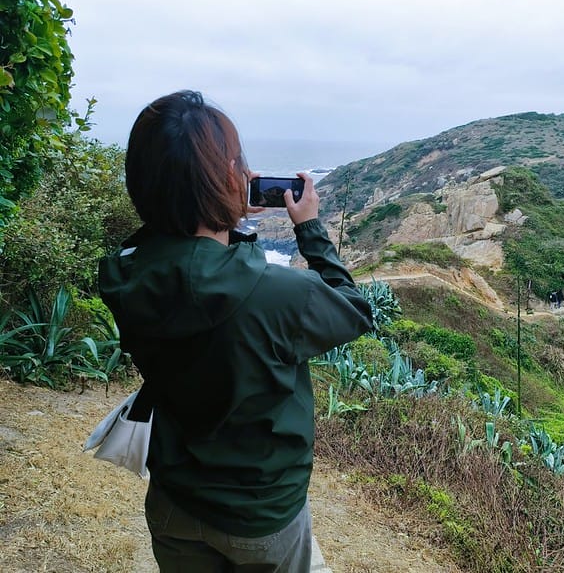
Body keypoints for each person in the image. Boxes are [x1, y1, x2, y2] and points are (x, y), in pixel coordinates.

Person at [98, 90, 374, 572]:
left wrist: (223, 220)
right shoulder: (274, 292)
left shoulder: (124, 275)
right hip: (260, 514)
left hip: (173, 499)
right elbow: (354, 310)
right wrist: (309, 228)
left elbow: (193, 272)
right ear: (230, 178)